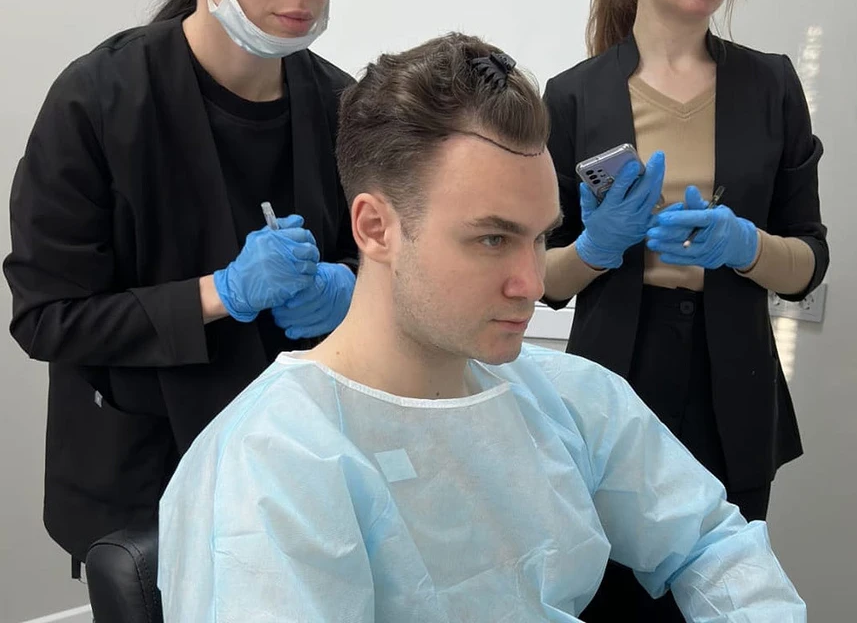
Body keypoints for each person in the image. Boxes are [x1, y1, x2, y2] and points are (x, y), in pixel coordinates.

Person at [158, 32, 806, 622]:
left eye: (540, 238)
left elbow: (710, 540)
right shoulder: (273, 463)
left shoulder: (568, 398)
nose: (531, 282)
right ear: (376, 229)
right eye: (493, 239)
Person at [2, 0, 357, 569]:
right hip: (147, 473)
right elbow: (48, 317)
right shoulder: (98, 99)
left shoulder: (343, 104)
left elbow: (384, 253)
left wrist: (352, 284)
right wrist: (221, 293)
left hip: (300, 461)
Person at [540, 0, 828, 619]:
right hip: (614, 374)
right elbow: (541, 278)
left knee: (725, 585)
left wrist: (745, 245)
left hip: (733, 380)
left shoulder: (772, 85)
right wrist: (596, 247)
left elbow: (809, 260)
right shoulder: (573, 95)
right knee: (607, 593)